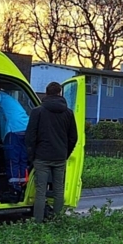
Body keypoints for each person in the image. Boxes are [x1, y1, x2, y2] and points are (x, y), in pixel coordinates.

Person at [25, 82, 78, 223]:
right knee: (58, 190)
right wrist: (65, 153)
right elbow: (74, 137)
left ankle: (38, 221)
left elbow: (30, 136)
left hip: (41, 156)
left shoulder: (38, 111)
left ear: (46, 93)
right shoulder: (68, 113)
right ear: (60, 93)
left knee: (41, 191)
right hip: (60, 157)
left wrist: (32, 156)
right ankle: (58, 219)